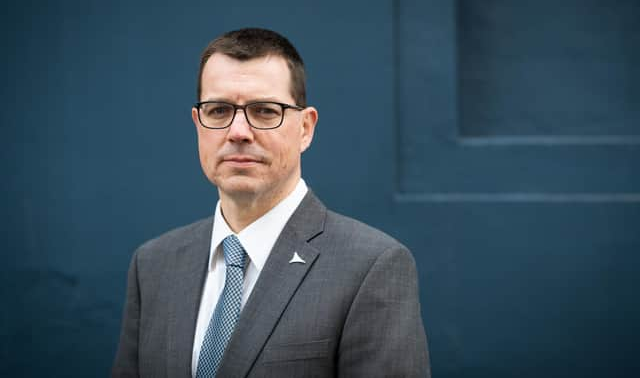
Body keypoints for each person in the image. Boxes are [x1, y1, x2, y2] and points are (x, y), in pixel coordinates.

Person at [112, 28, 430, 377]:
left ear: (305, 128)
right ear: (197, 124)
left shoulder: (371, 267)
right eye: (218, 110)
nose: (238, 131)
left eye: (264, 111)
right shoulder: (154, 265)